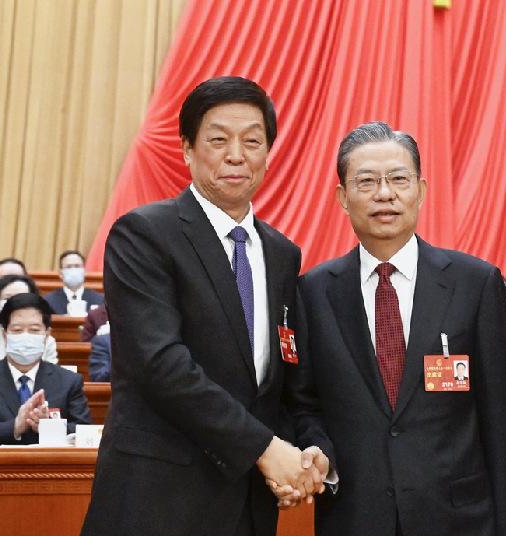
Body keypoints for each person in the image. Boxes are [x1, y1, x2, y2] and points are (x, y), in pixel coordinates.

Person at [82, 76, 326, 536]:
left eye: (252, 141)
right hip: (158, 499)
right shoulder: (144, 234)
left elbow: (280, 379)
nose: (236, 155)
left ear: (268, 153)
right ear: (187, 149)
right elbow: (160, 364)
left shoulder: (282, 254)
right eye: (218, 140)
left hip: (248, 506)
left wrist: (309, 447)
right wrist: (265, 449)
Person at [285, 122, 506, 535]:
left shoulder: (475, 284)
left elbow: (500, 423)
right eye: (367, 181)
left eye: (398, 179)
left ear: (421, 190)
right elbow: (304, 404)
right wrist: (318, 450)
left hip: (459, 520)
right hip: (354, 518)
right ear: (342, 197)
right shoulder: (314, 291)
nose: (384, 194)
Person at [0, 293, 91, 446]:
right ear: (5, 334)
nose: (26, 336)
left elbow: (85, 432)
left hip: (50, 461)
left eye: (34, 330)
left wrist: (49, 426)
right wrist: (14, 427)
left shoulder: (69, 381)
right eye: (17, 330)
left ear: (47, 334)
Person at [0, 274, 58, 370]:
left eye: (21, 297)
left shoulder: (47, 340)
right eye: (7, 298)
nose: (15, 303)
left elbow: (51, 375)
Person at [43, 250, 104, 315]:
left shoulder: (100, 300)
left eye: (77, 266)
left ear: (84, 271)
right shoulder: (48, 301)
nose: (73, 270)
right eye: (68, 267)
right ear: (60, 273)